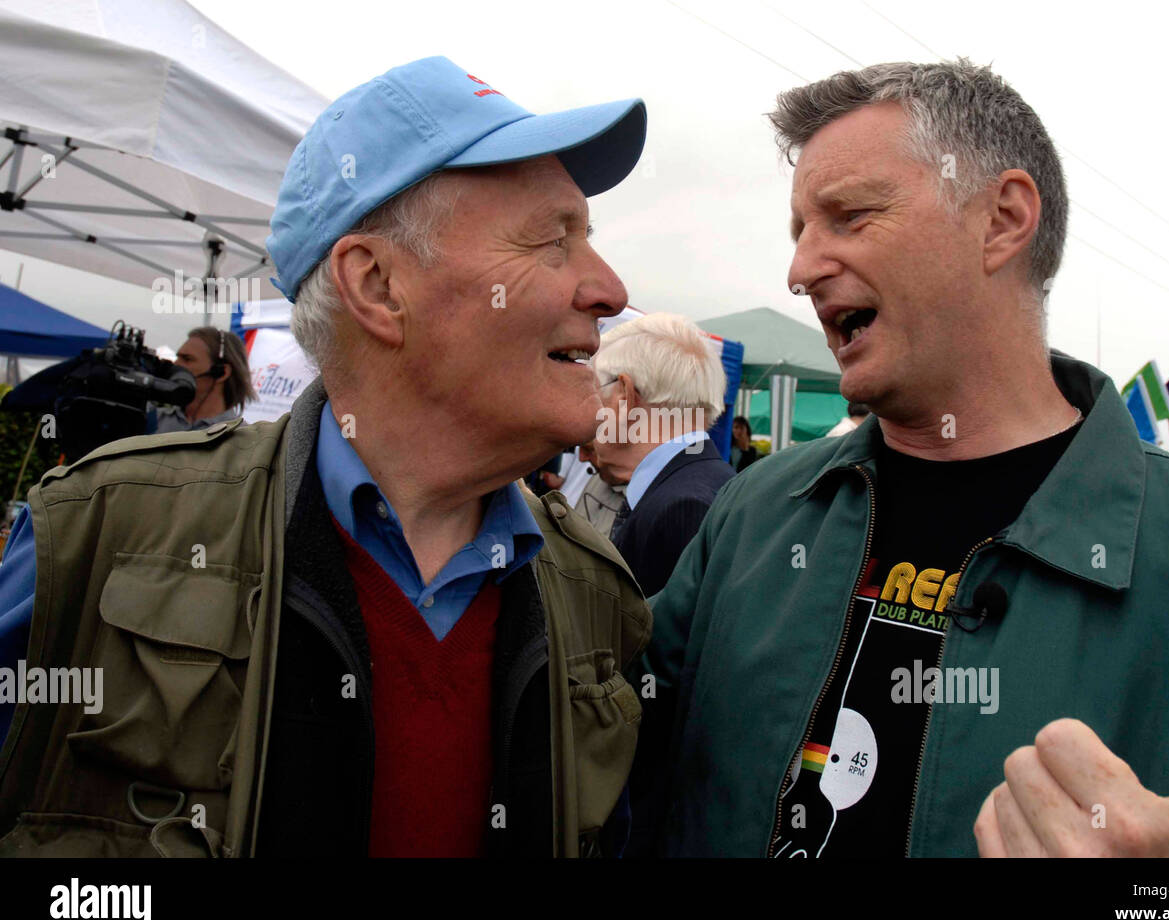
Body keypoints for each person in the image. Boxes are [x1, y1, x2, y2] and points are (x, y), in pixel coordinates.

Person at [640, 59, 1169, 858]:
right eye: (799, 232)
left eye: (848, 217)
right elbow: (597, 756)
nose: (801, 269)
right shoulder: (751, 514)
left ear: (1002, 220)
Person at [0, 56, 651, 858]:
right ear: (376, 284)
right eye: (553, 241)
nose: (611, 288)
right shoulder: (100, 536)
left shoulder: (596, 596)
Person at [589, 312, 734, 598]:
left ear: (624, 396)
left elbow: (656, 639)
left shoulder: (683, 506)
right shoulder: (705, 486)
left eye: (592, 392)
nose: (585, 411)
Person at [153, 326, 256, 433]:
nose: (176, 364)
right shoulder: (153, 421)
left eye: (187, 359)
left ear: (222, 372)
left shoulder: (240, 436)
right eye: (177, 357)